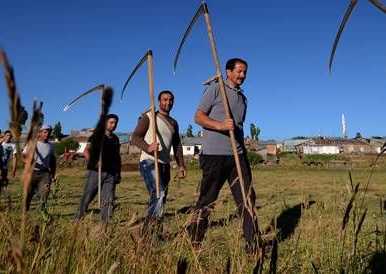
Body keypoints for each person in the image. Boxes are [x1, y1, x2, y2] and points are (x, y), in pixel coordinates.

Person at [187, 58, 260, 255]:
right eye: (239, 71)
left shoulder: (242, 99)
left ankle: (254, 247)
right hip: (214, 155)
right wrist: (220, 125)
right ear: (228, 71)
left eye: (245, 72)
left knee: (247, 200)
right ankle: (194, 240)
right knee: (207, 200)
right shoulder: (215, 89)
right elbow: (198, 117)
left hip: (237, 155)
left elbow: (238, 126)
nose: (242, 76)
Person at [130, 90, 187, 235]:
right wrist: (148, 147)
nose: (168, 103)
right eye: (165, 100)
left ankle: (155, 232)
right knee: (158, 194)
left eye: (171, 100)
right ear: (159, 101)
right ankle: (149, 233)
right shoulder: (150, 117)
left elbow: (177, 145)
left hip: (164, 164)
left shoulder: (174, 123)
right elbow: (135, 137)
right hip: (149, 161)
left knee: (161, 199)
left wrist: (181, 165)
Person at [75, 114, 121, 225]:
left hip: (110, 173)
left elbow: (117, 157)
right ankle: (77, 219)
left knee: (108, 199)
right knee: (88, 196)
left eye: (115, 123)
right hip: (96, 172)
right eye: (111, 122)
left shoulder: (115, 139)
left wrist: (118, 173)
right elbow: (86, 150)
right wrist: (94, 161)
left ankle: (104, 224)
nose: (113, 125)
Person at [22, 124, 56, 211]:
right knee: (28, 195)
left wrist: (53, 173)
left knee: (44, 194)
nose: (47, 134)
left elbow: (52, 160)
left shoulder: (51, 146)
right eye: (45, 132)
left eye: (49, 132)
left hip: (44, 173)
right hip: (31, 172)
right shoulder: (32, 143)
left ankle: (42, 214)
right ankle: (25, 213)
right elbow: (23, 156)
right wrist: (31, 163)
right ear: (40, 133)